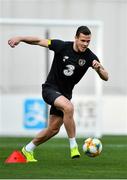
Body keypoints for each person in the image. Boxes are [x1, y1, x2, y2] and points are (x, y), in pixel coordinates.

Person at [8, 26, 109, 162]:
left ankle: (28, 150)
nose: (85, 44)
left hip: (65, 95)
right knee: (69, 107)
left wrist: (98, 69)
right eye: (83, 40)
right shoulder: (62, 46)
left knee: (53, 129)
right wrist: (19, 38)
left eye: (88, 41)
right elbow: (38, 41)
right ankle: (73, 147)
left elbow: (106, 76)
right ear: (76, 38)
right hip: (50, 89)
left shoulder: (90, 56)